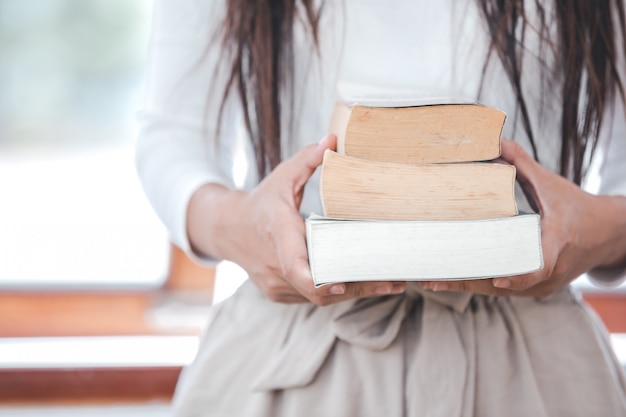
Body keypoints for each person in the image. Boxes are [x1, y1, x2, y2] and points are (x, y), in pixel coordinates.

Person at [136, 0, 626, 415]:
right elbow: (174, 140)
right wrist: (241, 227)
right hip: (293, 353)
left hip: (535, 365)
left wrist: (593, 230)